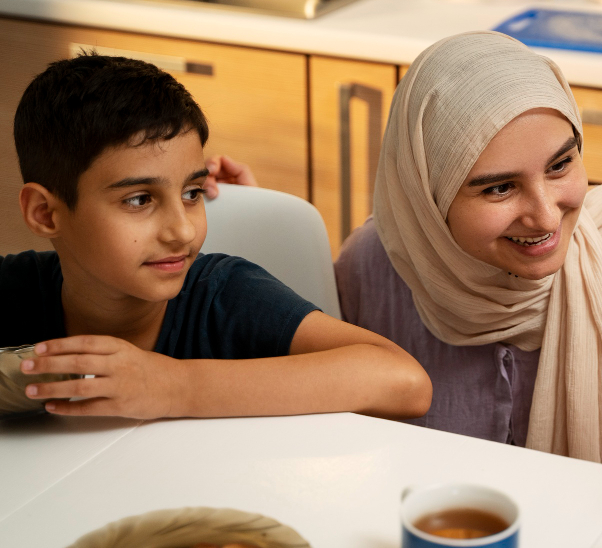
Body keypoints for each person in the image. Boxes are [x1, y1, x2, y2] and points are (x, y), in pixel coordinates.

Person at [327, 31, 602, 468]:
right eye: (500, 188)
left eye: (560, 165)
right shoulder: (370, 270)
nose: (546, 218)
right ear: (427, 200)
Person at [1, 54, 432, 420]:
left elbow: (404, 381)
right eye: (139, 200)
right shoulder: (15, 289)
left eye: (191, 193)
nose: (183, 230)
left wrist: (173, 386)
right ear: (45, 213)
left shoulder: (225, 296)